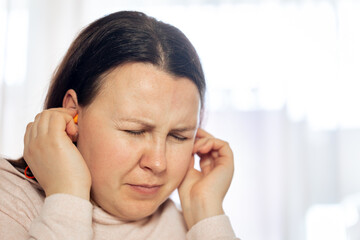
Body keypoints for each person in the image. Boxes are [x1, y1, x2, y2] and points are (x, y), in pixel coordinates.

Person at [0, 11, 239, 239]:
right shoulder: (8, 201)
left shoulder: (196, 227)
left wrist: (206, 212)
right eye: (134, 131)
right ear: (73, 113)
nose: (158, 163)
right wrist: (67, 194)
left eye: (178, 136)